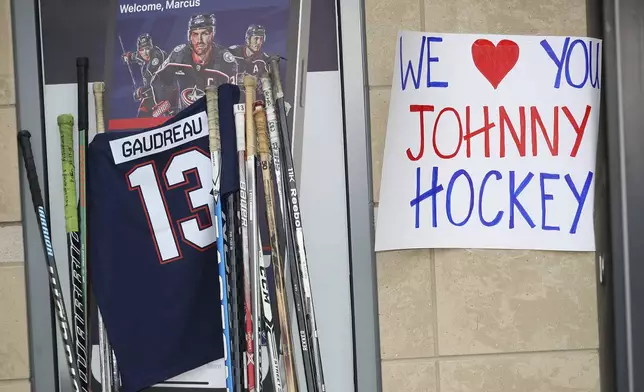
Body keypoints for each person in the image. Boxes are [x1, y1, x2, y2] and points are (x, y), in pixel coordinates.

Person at [149, 13, 238, 117]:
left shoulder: (226, 62)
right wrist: (167, 103)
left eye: (204, 33)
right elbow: (158, 79)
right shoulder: (179, 55)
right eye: (195, 34)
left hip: (214, 122)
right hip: (183, 122)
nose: (199, 40)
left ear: (212, 34)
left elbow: (233, 99)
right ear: (189, 36)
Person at [122, 33, 167, 117]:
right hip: (152, 94)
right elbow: (136, 56)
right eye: (142, 49)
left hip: (164, 95)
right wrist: (128, 57)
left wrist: (140, 92)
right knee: (141, 116)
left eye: (147, 48)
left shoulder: (156, 58)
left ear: (151, 47)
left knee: (155, 117)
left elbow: (156, 85)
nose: (145, 52)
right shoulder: (143, 55)